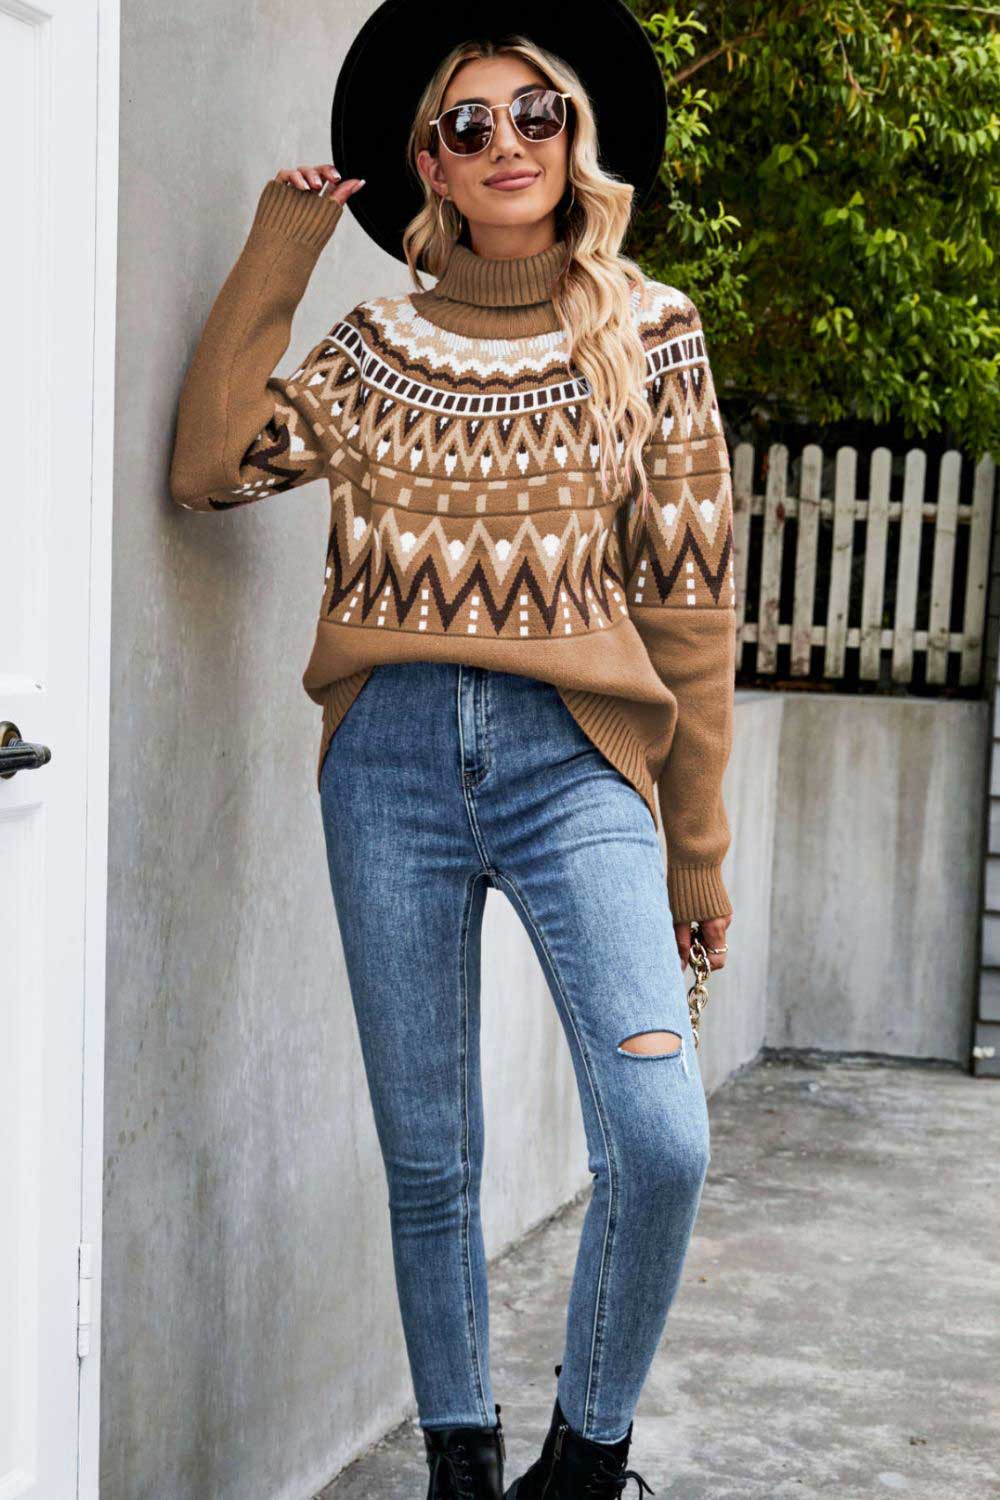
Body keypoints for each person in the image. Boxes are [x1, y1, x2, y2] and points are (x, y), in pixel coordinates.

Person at [168, 18, 735, 1500]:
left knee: (660, 1141)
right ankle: (461, 1472)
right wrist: (282, 250)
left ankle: (586, 1464)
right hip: (392, 767)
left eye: (536, 113)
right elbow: (209, 468)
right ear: (427, 163)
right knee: (431, 1161)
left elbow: (689, 609)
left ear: (577, 133)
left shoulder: (653, 330)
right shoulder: (375, 347)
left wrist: (696, 849)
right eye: (469, 125)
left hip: (578, 764)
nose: (508, 144)